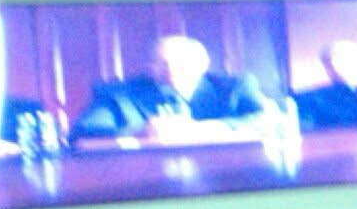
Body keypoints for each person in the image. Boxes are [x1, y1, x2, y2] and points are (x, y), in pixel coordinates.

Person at [70, 35, 272, 141]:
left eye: (181, 62)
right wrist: (140, 131)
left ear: (203, 64)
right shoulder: (118, 95)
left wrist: (199, 130)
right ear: (150, 68)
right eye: (162, 63)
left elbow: (267, 122)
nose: (171, 70)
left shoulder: (235, 87)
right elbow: (81, 133)